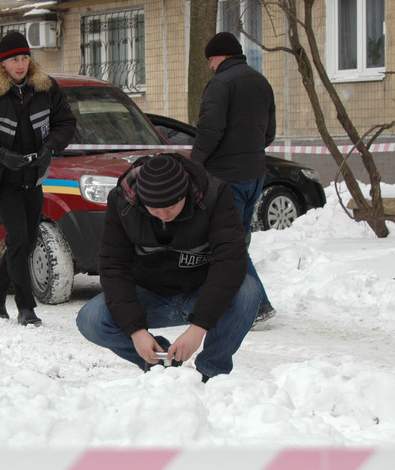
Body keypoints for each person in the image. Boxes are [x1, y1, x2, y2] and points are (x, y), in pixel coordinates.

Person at [76, 153, 263, 381]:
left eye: (172, 206)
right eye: (154, 209)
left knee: (248, 291)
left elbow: (231, 260)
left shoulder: (215, 195)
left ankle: (212, 373)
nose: (164, 215)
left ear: (185, 193)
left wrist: (199, 327)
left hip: (199, 291)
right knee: (91, 319)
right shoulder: (122, 201)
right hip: (149, 294)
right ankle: (158, 361)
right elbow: (113, 266)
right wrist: (135, 330)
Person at [0, 31, 76, 326]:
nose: (21, 64)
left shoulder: (45, 88)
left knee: (24, 239)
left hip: (34, 175)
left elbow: (66, 122)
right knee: (20, 238)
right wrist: (0, 155)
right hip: (3, 177)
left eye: (25, 57)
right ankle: (26, 307)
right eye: (14, 59)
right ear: (3, 62)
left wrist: (51, 148)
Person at [191, 32, 276, 326]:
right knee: (236, 241)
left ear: (219, 56)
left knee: (229, 245)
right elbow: (269, 133)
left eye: (211, 60)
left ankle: (256, 304)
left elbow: (209, 131)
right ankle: (238, 300)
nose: (211, 66)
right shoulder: (260, 81)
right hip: (254, 174)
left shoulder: (220, 84)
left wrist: (195, 164)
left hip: (226, 178)